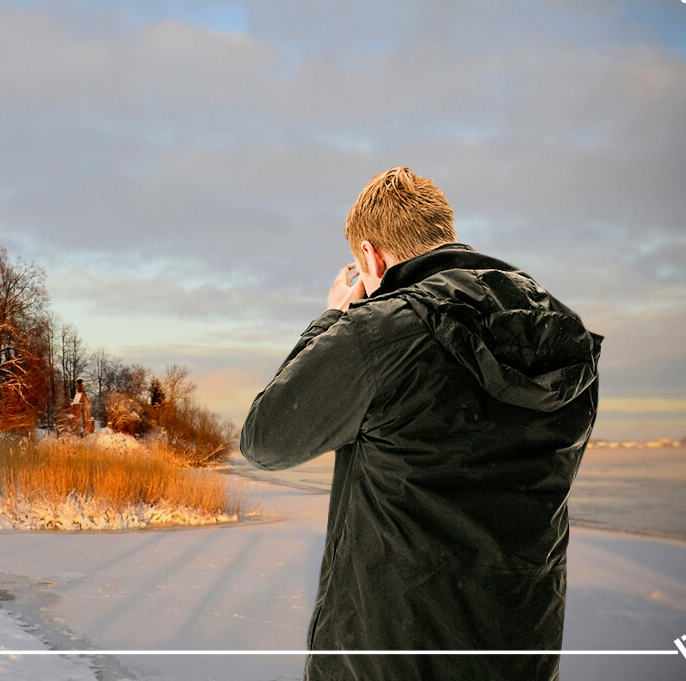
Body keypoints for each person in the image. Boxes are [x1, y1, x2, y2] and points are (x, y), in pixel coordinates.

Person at [240, 167, 601, 681]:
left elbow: (265, 438)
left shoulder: (380, 332)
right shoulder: (560, 340)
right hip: (522, 656)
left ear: (370, 256)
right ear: (445, 236)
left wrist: (334, 321)